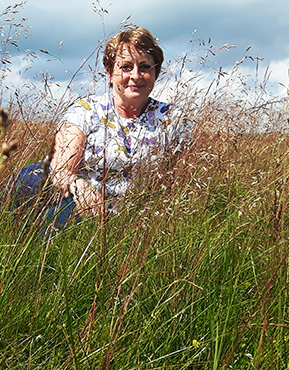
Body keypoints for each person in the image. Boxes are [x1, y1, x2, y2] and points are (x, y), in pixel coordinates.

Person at [12, 26, 191, 230]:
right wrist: (82, 190)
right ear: (110, 72)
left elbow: (179, 183)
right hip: (69, 191)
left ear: (156, 72)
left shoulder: (172, 119)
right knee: (12, 194)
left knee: (49, 227)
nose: (136, 75)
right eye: (125, 67)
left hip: (120, 214)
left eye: (144, 67)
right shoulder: (86, 110)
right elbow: (60, 170)